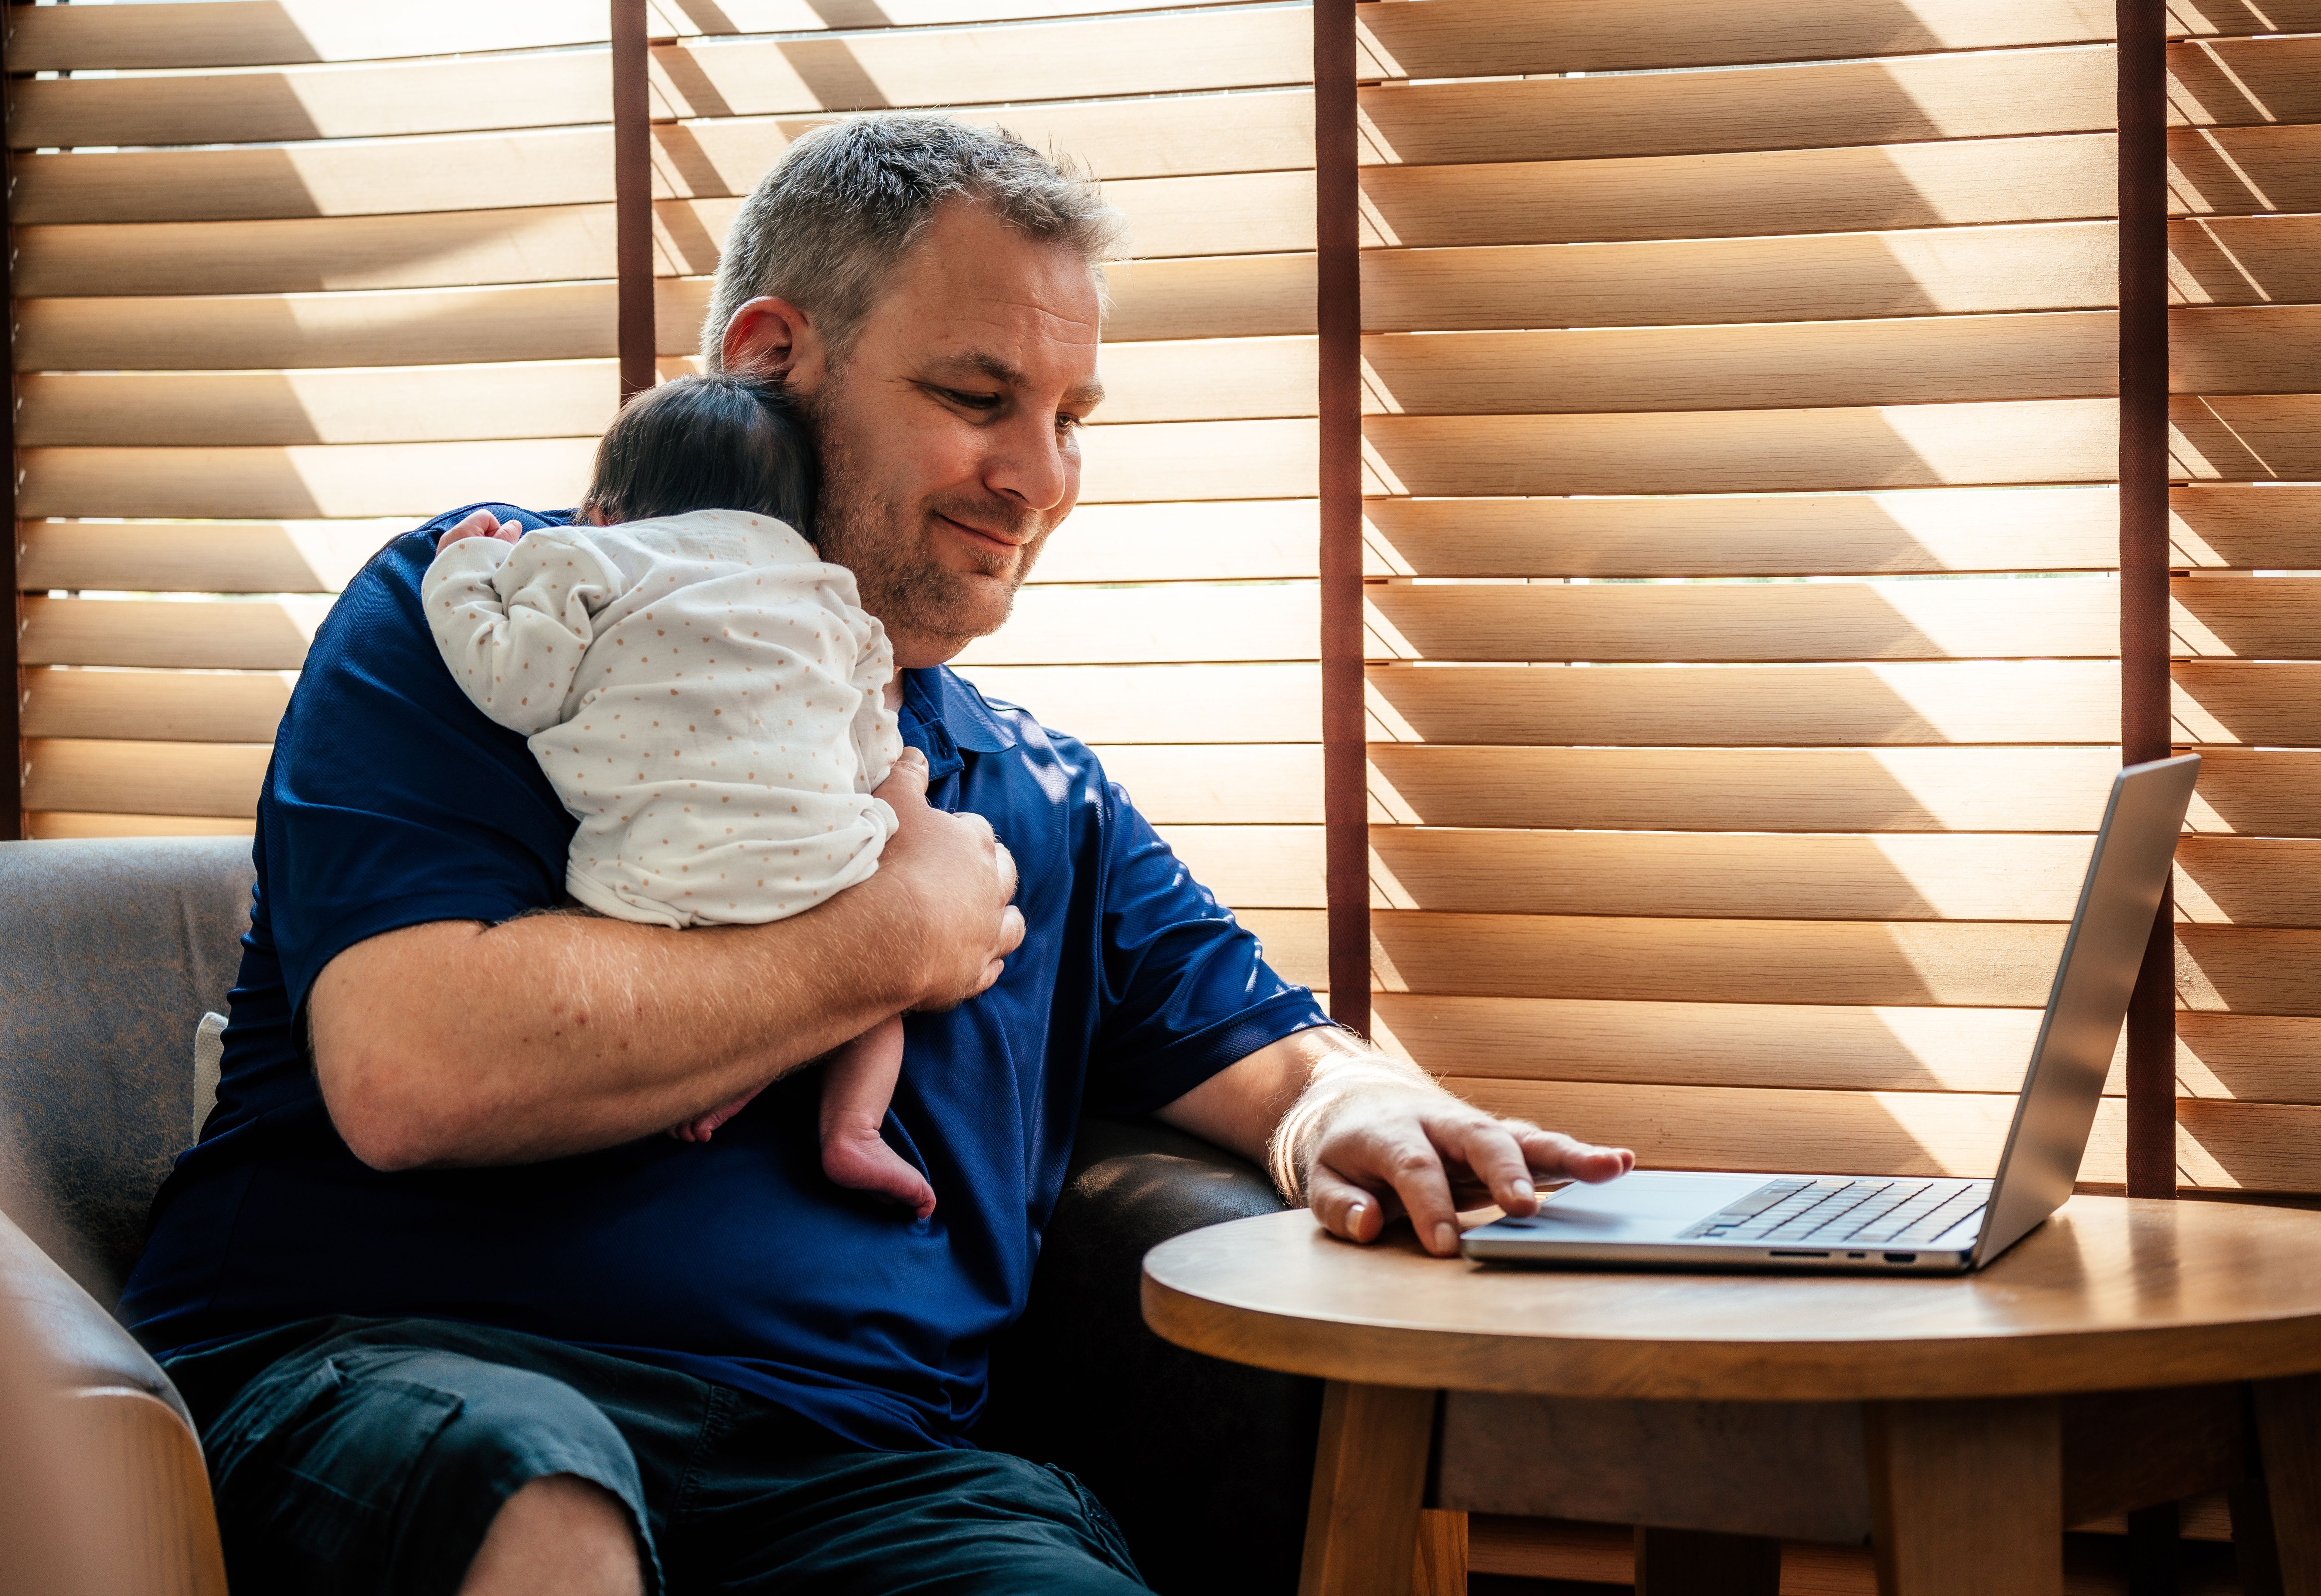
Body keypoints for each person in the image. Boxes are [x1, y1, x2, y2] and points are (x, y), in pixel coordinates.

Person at [119, 116, 1634, 1595]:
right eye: (978, 395)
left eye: (1072, 418)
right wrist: (892, 939)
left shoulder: (1041, 795)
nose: (1038, 477)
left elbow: (1284, 1063)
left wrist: (1375, 1119)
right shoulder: (508, 611)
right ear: (773, 357)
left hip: (858, 1478)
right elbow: (416, 1072)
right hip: (400, 1376)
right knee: (538, 1502)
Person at [422, 371, 929, 1214]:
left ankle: (712, 1073)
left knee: (606, 978)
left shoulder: (587, 557)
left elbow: (515, 687)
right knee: (875, 1000)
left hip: (652, 876)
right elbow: (871, 736)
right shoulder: (825, 590)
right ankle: (854, 1129)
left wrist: (464, 571)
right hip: (822, 865)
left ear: (603, 512)